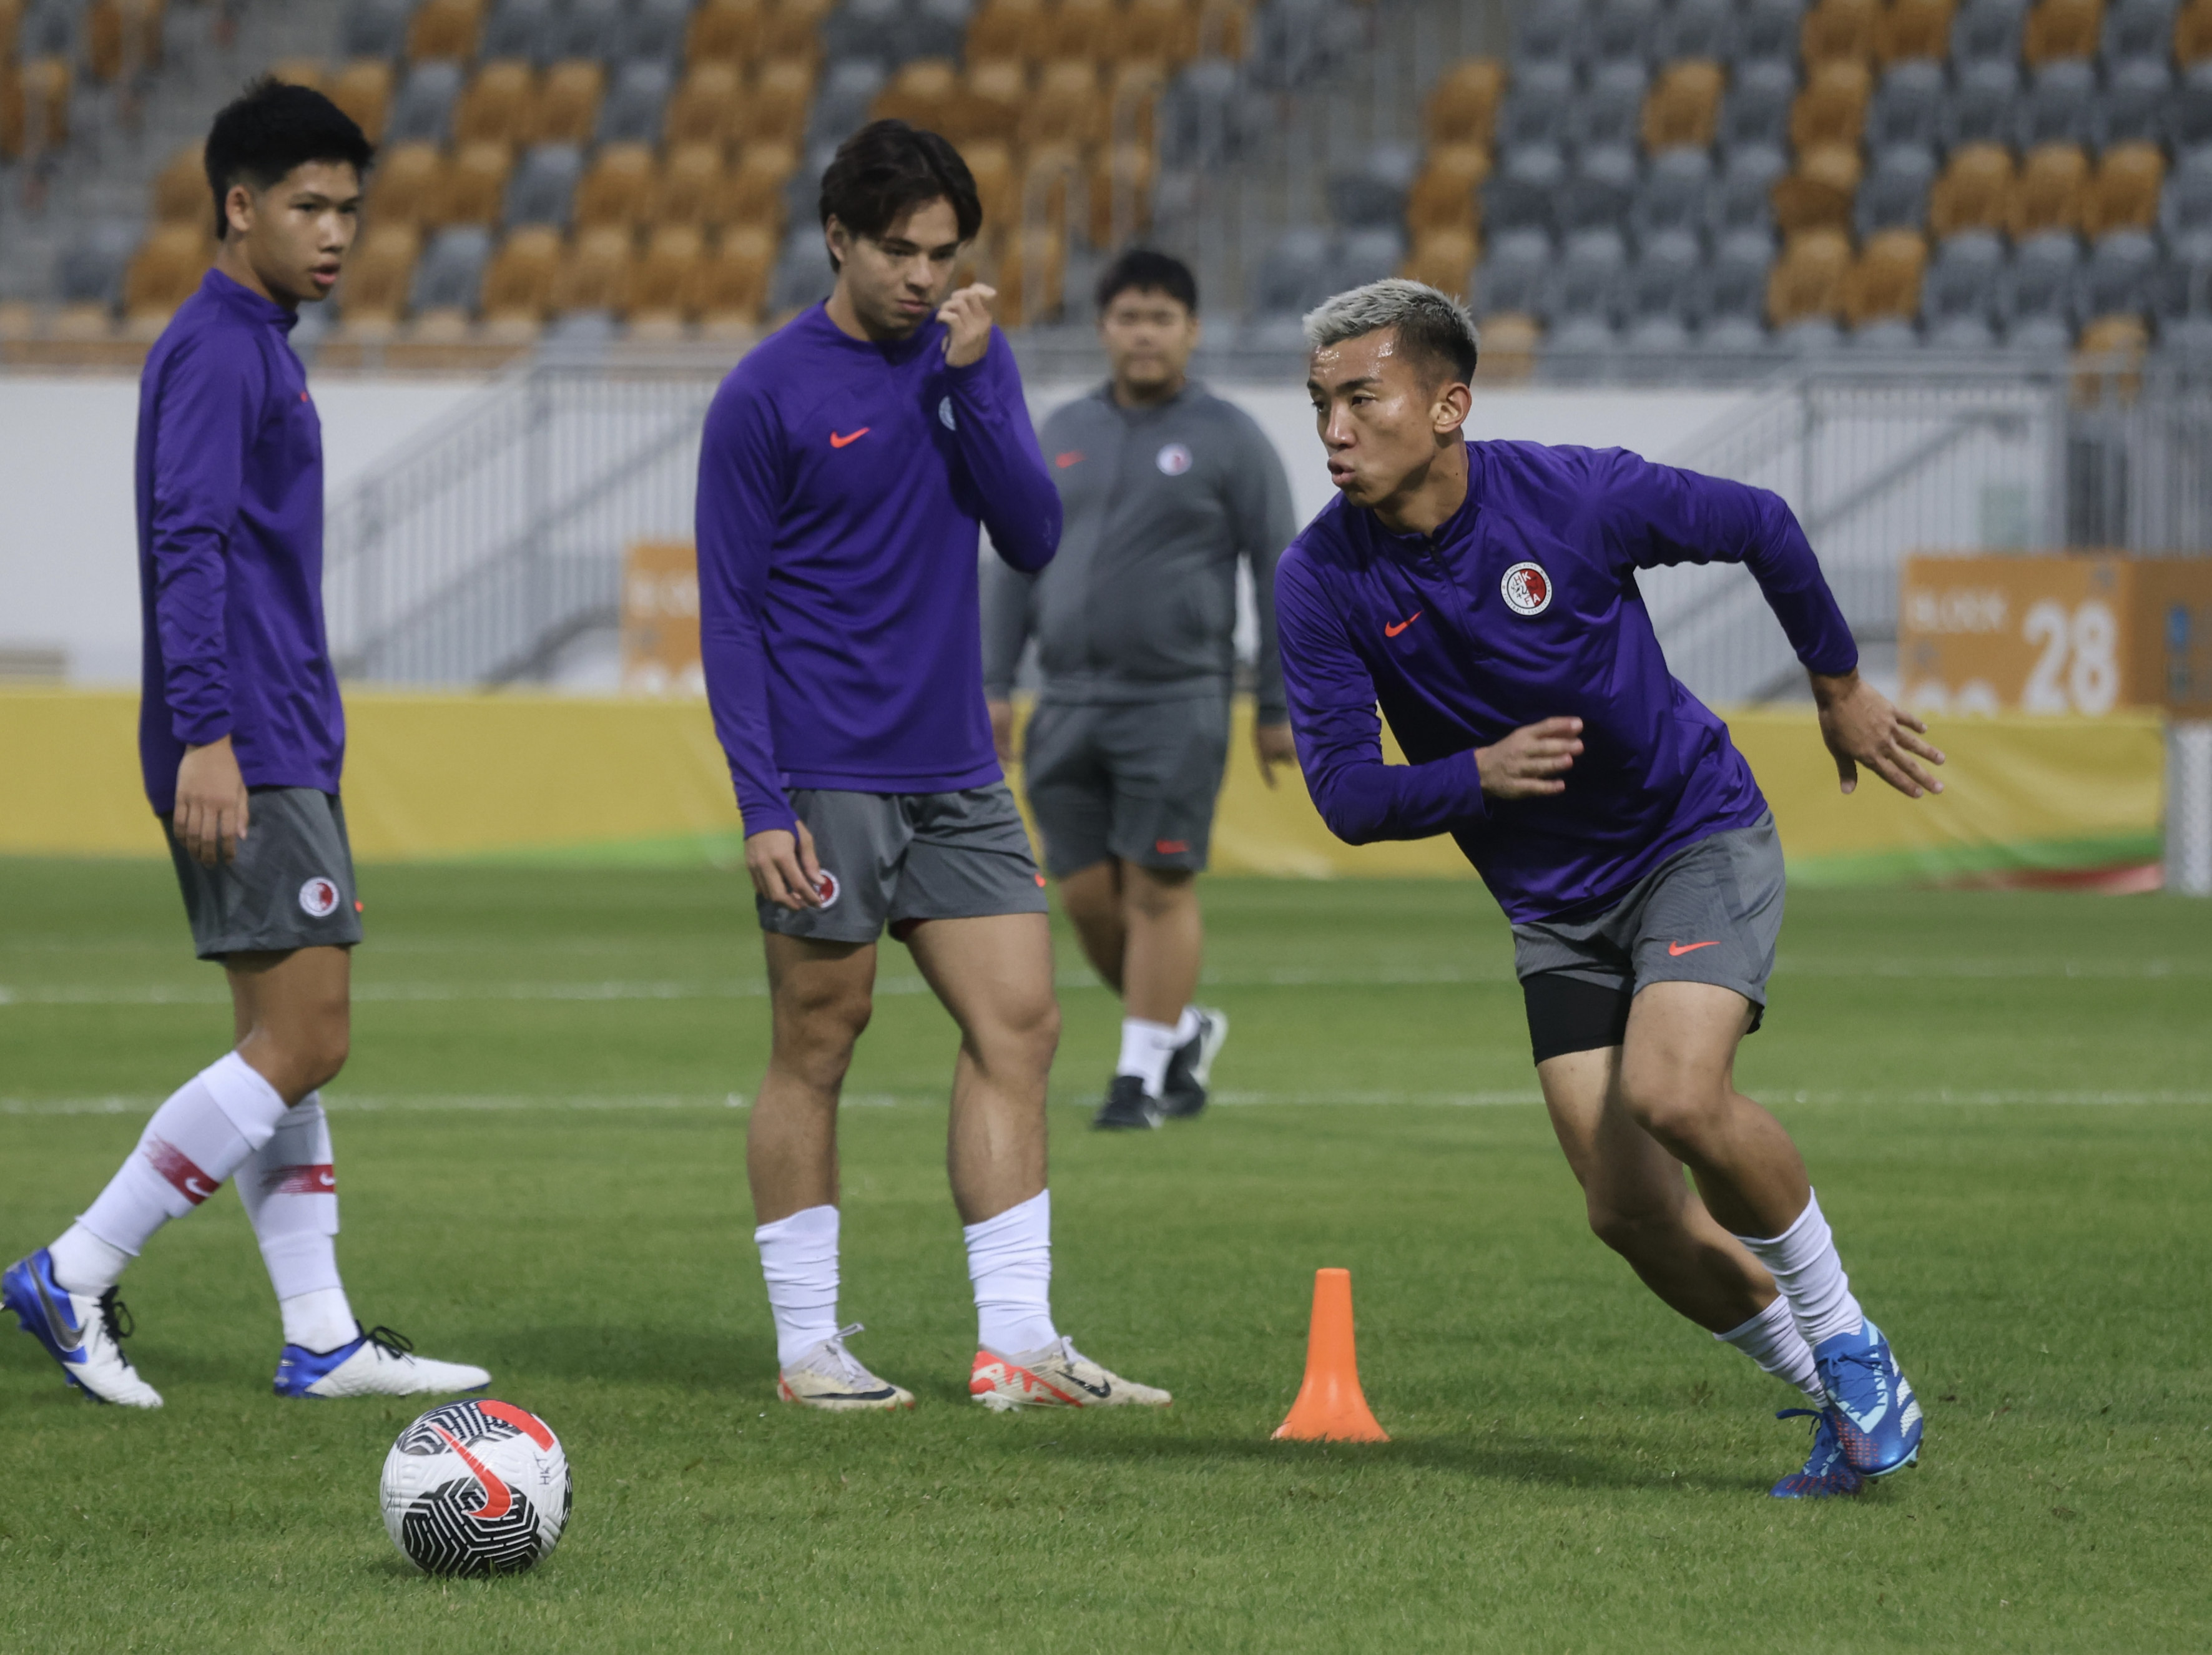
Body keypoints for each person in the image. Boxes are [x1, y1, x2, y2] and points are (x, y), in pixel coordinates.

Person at [1274, 279, 1939, 1496]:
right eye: (1318, 402)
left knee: (1677, 1097)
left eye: (1360, 398)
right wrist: (1472, 776)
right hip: (1552, 908)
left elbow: (1761, 522)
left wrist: (1837, 684)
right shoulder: (1319, 579)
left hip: (1689, 837)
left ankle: (1848, 1337)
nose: (1332, 428)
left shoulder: (1572, 495)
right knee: (1626, 1214)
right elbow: (1343, 798)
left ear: (1446, 404)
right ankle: (1838, 1400)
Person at [0, 81, 487, 1408]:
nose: (336, 233)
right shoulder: (220, 347)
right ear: (239, 206)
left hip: (274, 733)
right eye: (308, 207)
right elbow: (188, 545)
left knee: (281, 1035)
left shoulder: (258, 339)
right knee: (309, 1039)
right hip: (248, 738)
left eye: (348, 209)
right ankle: (77, 1267)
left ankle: (319, 1334)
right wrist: (209, 735)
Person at [696, 120, 1167, 1413]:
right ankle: (807, 1352)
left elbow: (1029, 531)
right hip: (824, 769)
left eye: (943, 253)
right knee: (819, 1039)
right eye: (897, 251)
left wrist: (966, 383)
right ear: (837, 239)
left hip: (954, 763)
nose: (921, 276)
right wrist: (760, 802)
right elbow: (728, 616)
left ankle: (1014, 1341)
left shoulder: (970, 358)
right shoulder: (764, 395)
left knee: (1020, 1021)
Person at [981, 248, 1299, 1131]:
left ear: (1191, 331)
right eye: (1129, 317)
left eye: (1162, 318)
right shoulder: (1060, 430)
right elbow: (1011, 559)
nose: (1145, 333)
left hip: (1177, 699)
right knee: (1083, 895)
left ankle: (1138, 1078)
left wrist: (1278, 704)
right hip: (1067, 699)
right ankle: (1179, 1030)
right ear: (1104, 328)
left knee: (1159, 886)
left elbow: (1283, 571)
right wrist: (993, 681)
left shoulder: (1232, 438)